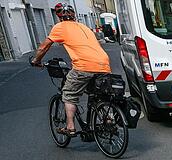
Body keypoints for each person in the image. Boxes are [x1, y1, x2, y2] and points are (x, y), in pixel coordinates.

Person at [30, 3, 111, 136]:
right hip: (104, 64)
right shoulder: (84, 26)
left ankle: (70, 127)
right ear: (74, 15)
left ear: (60, 17)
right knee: (99, 93)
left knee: (68, 94)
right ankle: (108, 119)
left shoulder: (60, 27)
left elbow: (43, 47)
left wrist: (36, 60)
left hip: (84, 66)